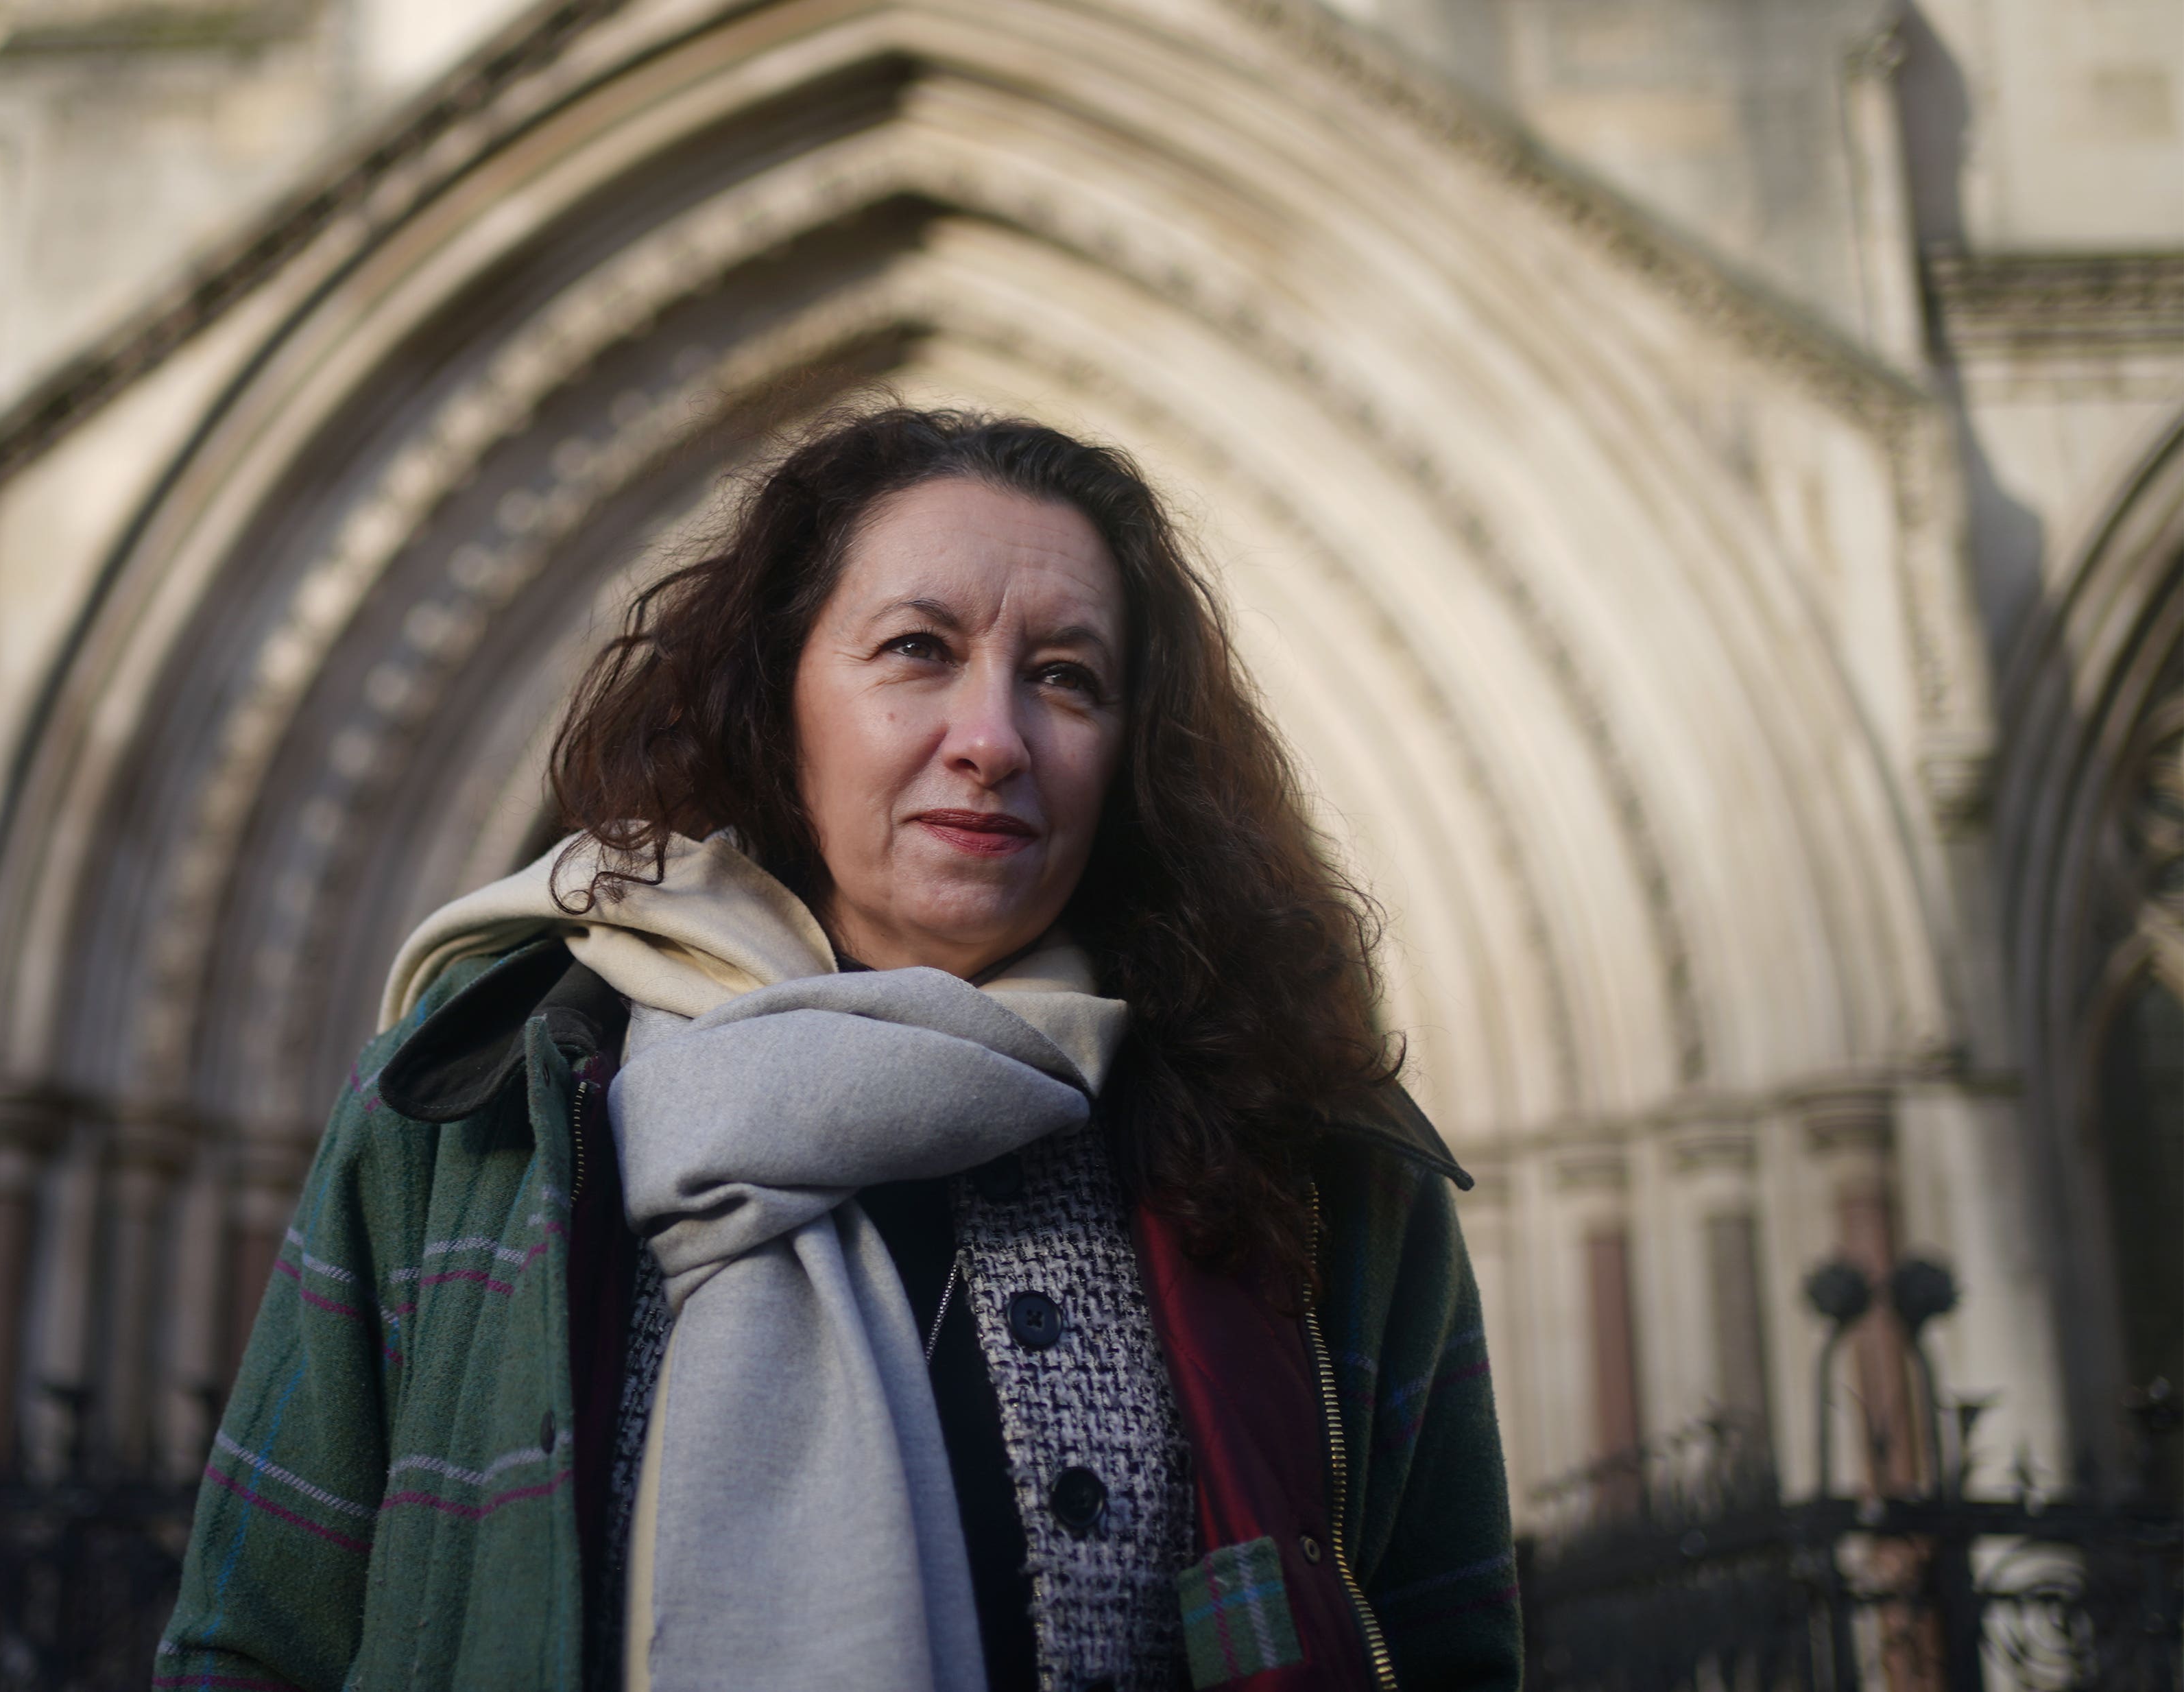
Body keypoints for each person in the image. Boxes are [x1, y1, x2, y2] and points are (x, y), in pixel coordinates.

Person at [157, 406, 1519, 1692]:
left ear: (1131, 749)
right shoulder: (468, 1113)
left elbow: (1447, 1648)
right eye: (916, 649)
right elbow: (256, 1641)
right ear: (777, 699)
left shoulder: (1312, 1163)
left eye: (1065, 678)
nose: (989, 739)